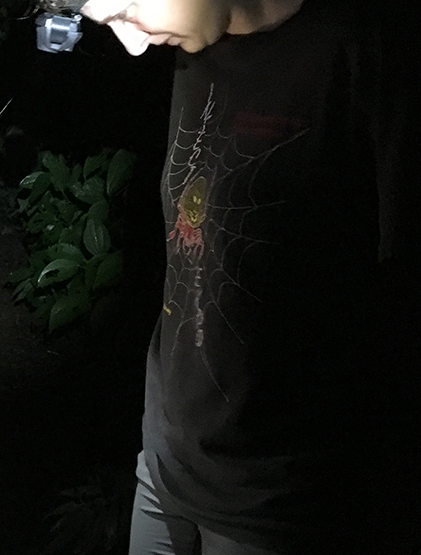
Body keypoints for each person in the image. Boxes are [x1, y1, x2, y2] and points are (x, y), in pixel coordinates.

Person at [68, 0, 421, 553]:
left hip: (280, 503)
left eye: (126, 10)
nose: (132, 45)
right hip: (165, 466)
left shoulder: (364, 48)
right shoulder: (193, 48)